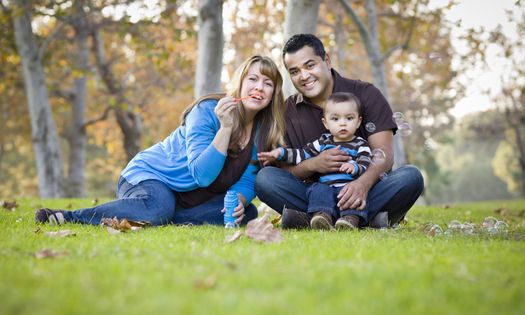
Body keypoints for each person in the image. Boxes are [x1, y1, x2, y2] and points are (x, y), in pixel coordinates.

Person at [36, 55, 285, 227]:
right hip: (149, 177)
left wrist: (239, 201)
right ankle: (70, 216)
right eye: (253, 79)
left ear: (273, 93)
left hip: (187, 198)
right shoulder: (207, 112)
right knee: (158, 207)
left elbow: (248, 179)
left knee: (247, 214)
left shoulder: (263, 130)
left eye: (267, 83)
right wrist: (226, 128)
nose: (259, 88)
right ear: (240, 83)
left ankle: (163, 215)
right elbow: (202, 175)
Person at [255, 34, 424, 229]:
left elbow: (384, 156)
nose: (304, 76)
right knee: (266, 179)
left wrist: (362, 184)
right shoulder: (286, 112)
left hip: (368, 191)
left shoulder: (366, 94)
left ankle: (311, 220)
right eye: (294, 71)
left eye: (310, 65)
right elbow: (284, 171)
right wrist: (313, 165)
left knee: (410, 177)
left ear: (326, 60)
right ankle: (364, 220)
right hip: (316, 195)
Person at [257, 92, 371, 230]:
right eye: (335, 119)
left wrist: (355, 166)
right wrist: (280, 153)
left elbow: (365, 162)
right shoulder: (323, 142)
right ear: (326, 123)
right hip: (327, 188)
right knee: (318, 189)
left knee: (352, 198)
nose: (342, 123)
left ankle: (349, 220)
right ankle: (322, 216)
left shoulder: (360, 144)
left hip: (348, 187)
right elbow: (303, 154)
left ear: (358, 122)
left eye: (349, 118)